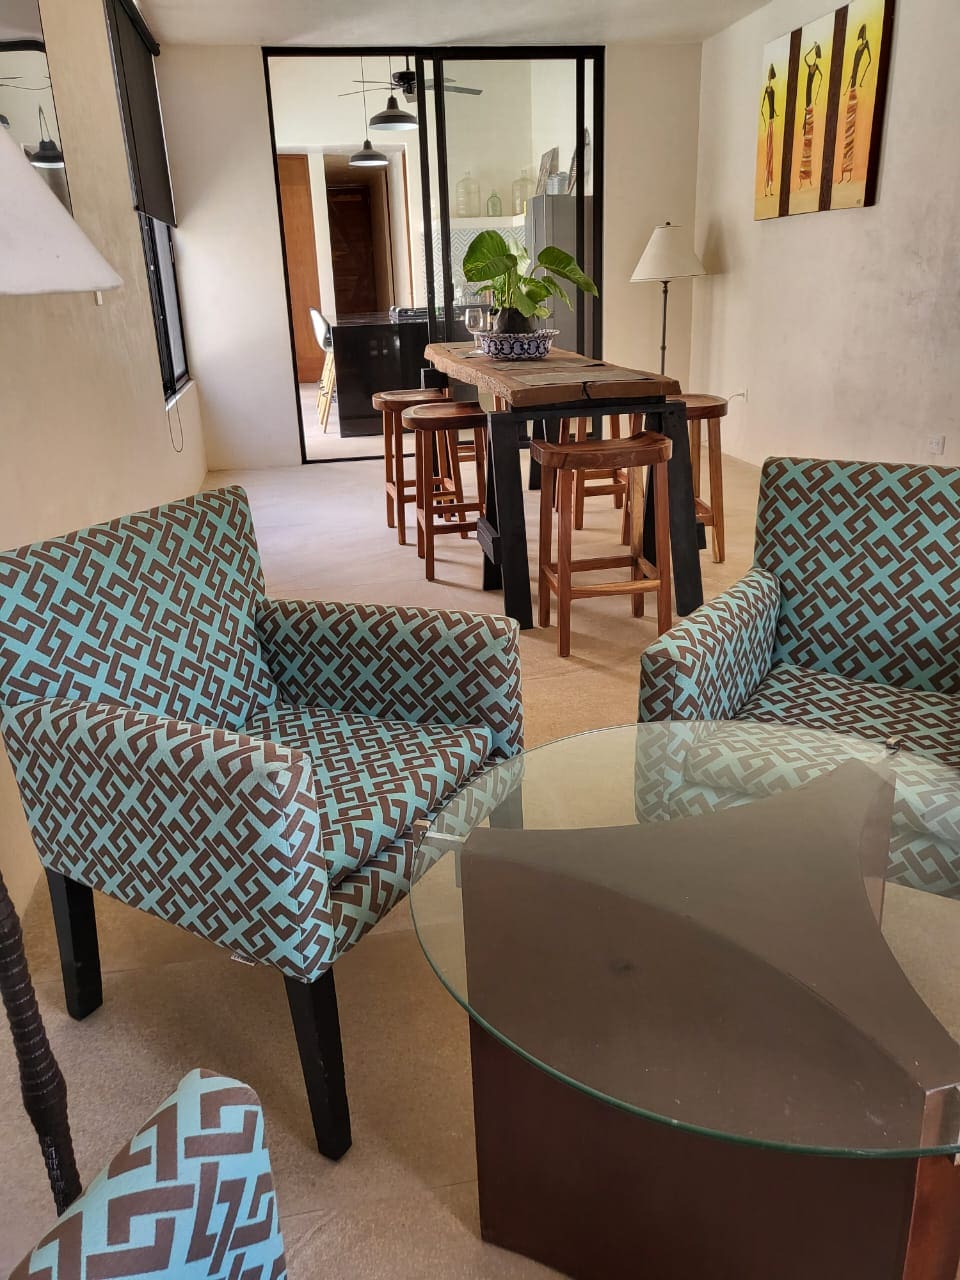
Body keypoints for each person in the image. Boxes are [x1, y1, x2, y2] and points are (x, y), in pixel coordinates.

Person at [841, 24, 873, 181]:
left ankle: (849, 172)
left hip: (856, 92)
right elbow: (853, 68)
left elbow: (869, 61)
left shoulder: (866, 46)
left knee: (851, 131)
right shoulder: (858, 49)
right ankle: (844, 171)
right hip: (851, 89)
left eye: (862, 34)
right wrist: (849, 85)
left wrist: (861, 81)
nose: (861, 37)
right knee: (847, 132)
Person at [798, 43, 823, 186]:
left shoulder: (815, 68)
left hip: (809, 106)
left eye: (816, 53)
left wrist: (818, 93)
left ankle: (806, 175)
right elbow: (805, 58)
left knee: (808, 141)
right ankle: (804, 176)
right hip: (807, 106)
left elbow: (821, 78)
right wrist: (812, 48)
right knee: (806, 140)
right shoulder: (812, 66)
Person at [760, 64, 778, 197]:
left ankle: (769, 188)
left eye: (769, 74)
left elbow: (773, 105)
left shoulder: (772, 90)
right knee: (768, 155)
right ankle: (767, 188)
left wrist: (774, 115)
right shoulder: (767, 90)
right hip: (770, 123)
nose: (769, 77)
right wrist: (766, 121)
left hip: (771, 122)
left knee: (770, 156)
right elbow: (762, 107)